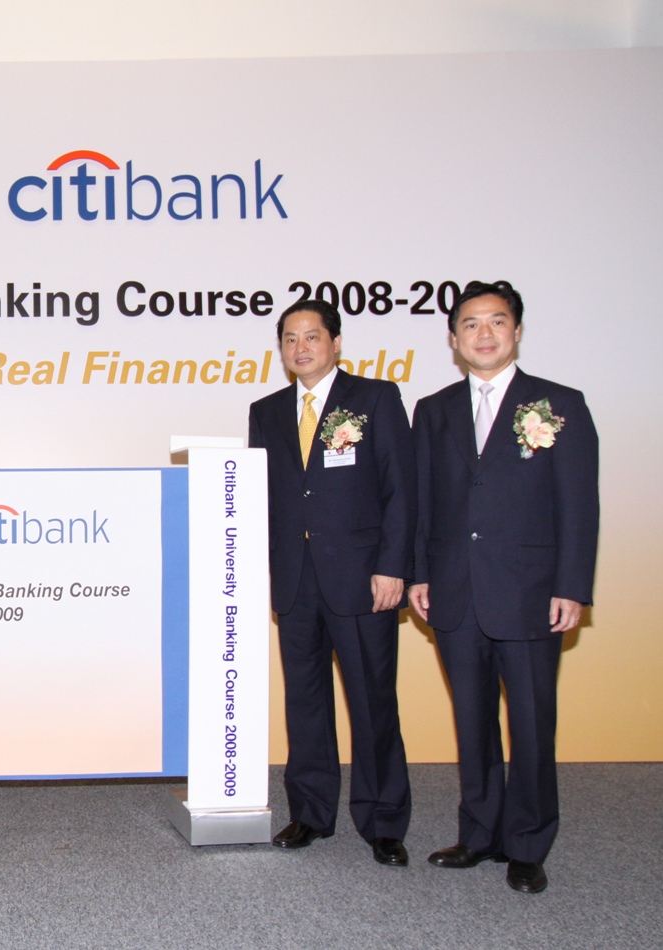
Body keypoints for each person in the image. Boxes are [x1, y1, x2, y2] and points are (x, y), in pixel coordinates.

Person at [409, 281, 598, 895]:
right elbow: (421, 503)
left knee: (533, 723)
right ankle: (480, 832)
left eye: (496, 322)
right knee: (472, 720)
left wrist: (572, 585)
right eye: (470, 324)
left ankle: (528, 843)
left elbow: (578, 505)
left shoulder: (558, 402)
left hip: (531, 593)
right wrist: (419, 573)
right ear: (454, 338)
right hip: (455, 593)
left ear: (515, 331)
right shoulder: (433, 410)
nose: (483, 334)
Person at [247, 299, 415, 867]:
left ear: (336, 342)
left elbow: (401, 489)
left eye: (312, 336)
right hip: (295, 580)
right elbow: (263, 500)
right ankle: (310, 813)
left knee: (372, 701)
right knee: (306, 701)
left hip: (363, 578)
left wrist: (394, 565)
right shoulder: (265, 411)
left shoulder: (374, 398)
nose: (301, 348)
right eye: (290, 339)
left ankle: (384, 821)